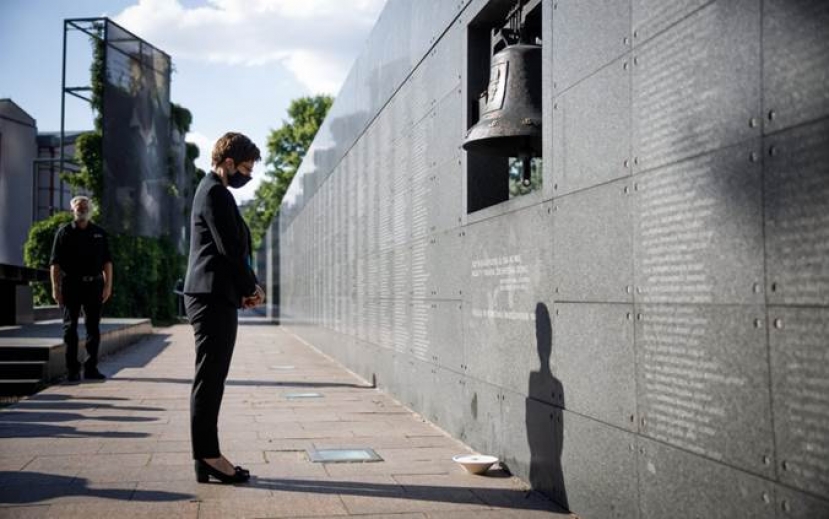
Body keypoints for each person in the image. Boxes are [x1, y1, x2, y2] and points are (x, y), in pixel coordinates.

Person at [184, 132, 265, 484]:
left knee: (211, 378)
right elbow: (230, 249)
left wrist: (244, 289)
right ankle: (208, 456)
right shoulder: (215, 192)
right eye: (245, 168)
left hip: (215, 295)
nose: (247, 176)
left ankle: (207, 456)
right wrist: (251, 287)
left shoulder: (215, 191)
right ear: (227, 162)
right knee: (210, 380)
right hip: (210, 297)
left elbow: (230, 249)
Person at [49, 195, 113, 381]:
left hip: (94, 285)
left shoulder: (100, 233)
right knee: (70, 328)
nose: (82, 208)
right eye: (78, 206)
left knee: (93, 328)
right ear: (72, 210)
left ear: (90, 209)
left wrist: (108, 285)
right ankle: (72, 370)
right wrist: (55, 288)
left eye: (85, 206)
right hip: (71, 285)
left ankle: (91, 368)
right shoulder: (63, 233)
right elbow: (55, 264)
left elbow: (107, 262)